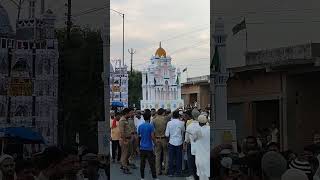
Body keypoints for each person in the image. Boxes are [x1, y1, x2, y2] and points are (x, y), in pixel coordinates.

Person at [138, 109, 159, 180]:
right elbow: (152, 137)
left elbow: (139, 136)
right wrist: (155, 144)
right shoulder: (151, 126)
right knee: (152, 164)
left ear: (143, 117)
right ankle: (154, 177)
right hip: (149, 147)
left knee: (142, 163)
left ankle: (142, 177)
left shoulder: (140, 126)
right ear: (150, 117)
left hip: (142, 147)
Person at [165, 110, 185, 177]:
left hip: (171, 142)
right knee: (179, 158)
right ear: (179, 116)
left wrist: (168, 141)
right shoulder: (182, 123)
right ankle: (178, 172)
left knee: (171, 158)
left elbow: (167, 134)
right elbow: (183, 131)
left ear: (172, 116)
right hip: (179, 142)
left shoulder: (169, 123)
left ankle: (171, 172)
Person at [151, 108, 169, 175]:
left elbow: (152, 131)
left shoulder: (154, 120)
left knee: (157, 155)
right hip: (164, 138)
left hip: (157, 138)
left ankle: (158, 171)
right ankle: (166, 170)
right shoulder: (165, 119)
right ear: (163, 113)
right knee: (166, 155)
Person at [185, 108, 201, 180]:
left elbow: (187, 139)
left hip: (192, 146)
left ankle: (193, 176)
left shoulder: (189, 126)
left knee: (192, 162)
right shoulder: (204, 125)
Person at [193, 115, 210, 180]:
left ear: (199, 122)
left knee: (201, 175)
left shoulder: (197, 131)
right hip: (208, 155)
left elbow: (193, 140)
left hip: (200, 156)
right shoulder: (210, 129)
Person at [118, 108, 133, 174]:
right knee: (125, 154)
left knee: (128, 153)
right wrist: (124, 141)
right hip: (125, 139)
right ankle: (125, 167)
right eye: (130, 113)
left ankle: (123, 164)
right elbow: (122, 132)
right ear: (126, 113)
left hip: (128, 139)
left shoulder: (126, 120)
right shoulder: (122, 120)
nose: (131, 114)